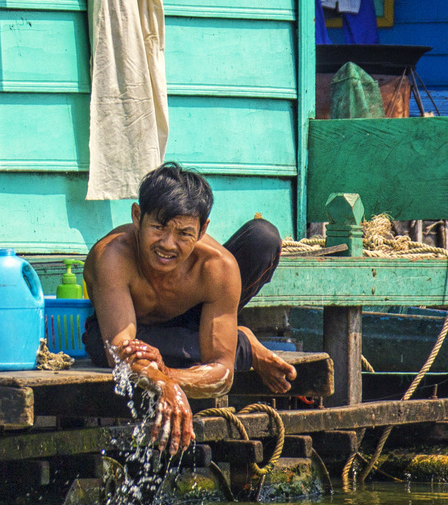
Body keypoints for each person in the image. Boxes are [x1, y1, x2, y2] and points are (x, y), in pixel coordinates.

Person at [83, 162, 297, 455]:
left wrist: (167, 379)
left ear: (202, 229)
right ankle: (242, 342)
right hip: (130, 331)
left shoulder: (218, 267)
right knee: (100, 347)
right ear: (137, 217)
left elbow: (222, 372)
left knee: (263, 236)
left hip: (186, 333)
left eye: (184, 233)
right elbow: (121, 351)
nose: (168, 244)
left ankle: (236, 338)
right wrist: (161, 381)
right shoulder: (113, 255)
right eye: (158, 228)